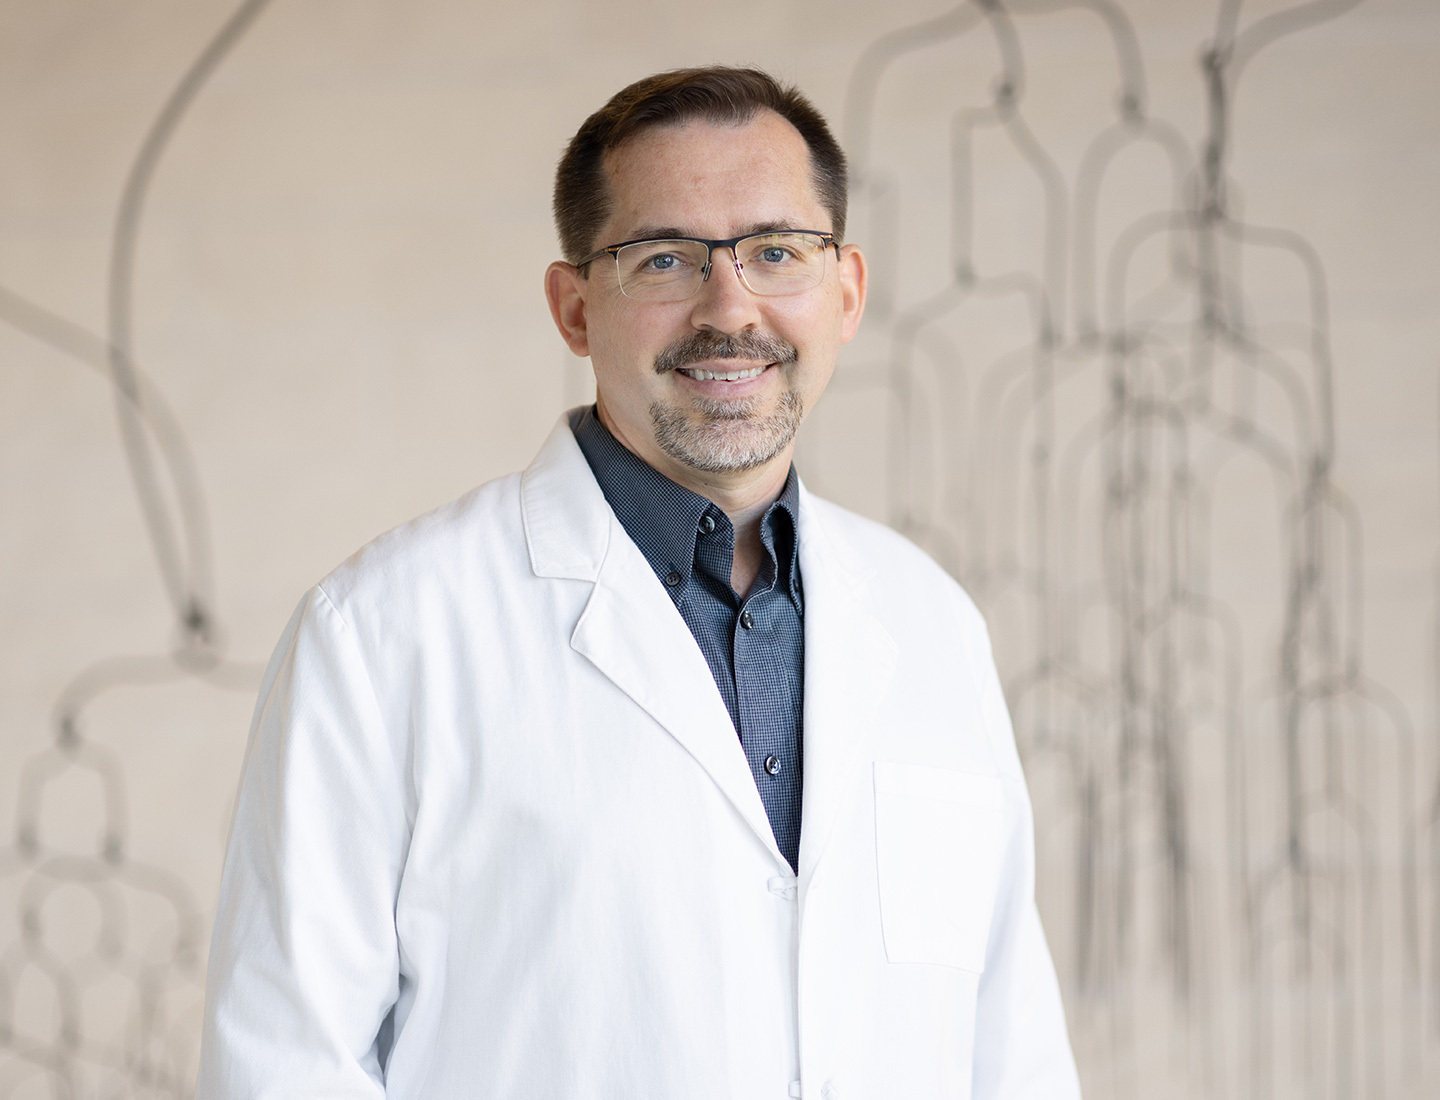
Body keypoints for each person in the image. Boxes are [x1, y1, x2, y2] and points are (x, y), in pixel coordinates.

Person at [197, 66, 1081, 1100]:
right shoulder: (385, 635)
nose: (729, 307)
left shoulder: (931, 621)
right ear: (574, 309)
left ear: (845, 294)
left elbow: (1010, 1046)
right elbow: (282, 1062)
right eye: (665, 258)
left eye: (778, 252)